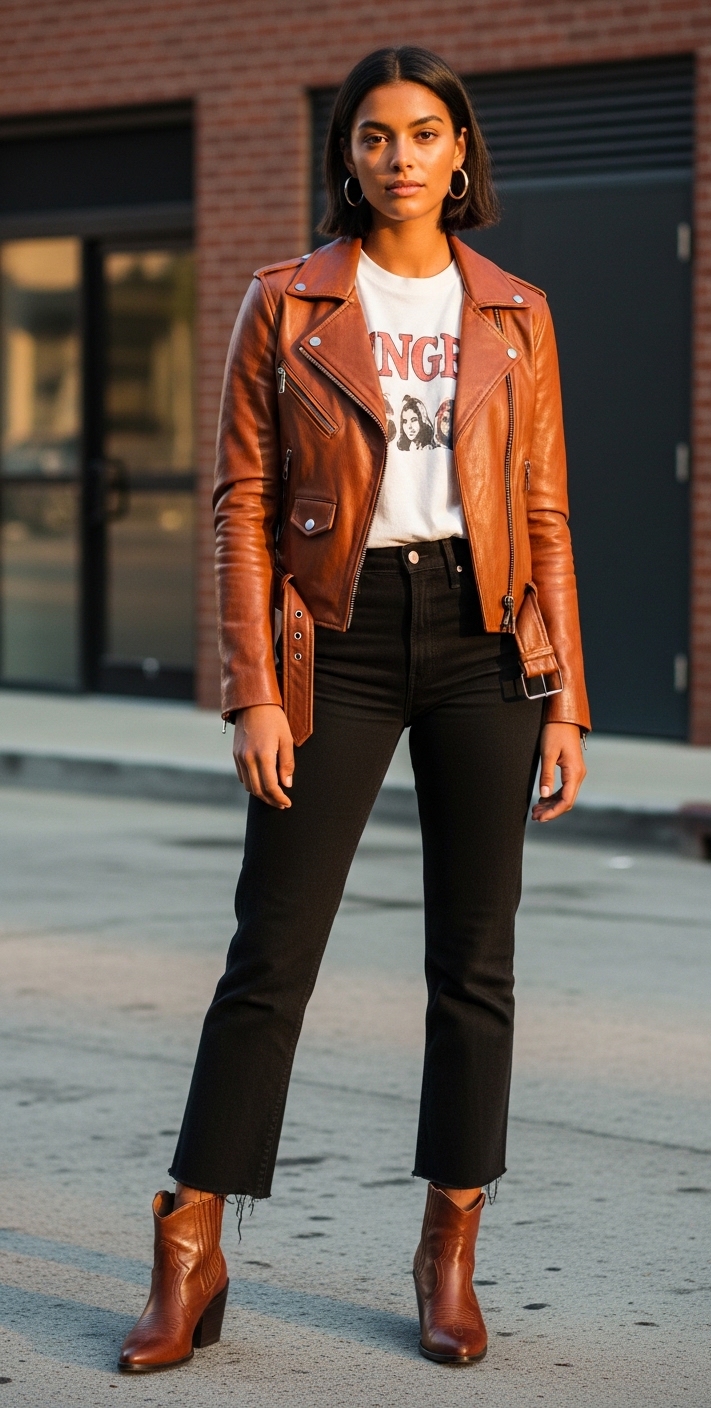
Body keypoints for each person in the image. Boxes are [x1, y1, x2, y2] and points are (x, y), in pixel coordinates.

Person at [118, 44, 590, 1375]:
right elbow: (242, 507)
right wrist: (251, 691)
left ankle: (450, 1245)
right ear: (347, 155)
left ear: (460, 151)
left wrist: (566, 699)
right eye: (375, 135)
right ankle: (191, 1241)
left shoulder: (517, 314)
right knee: (272, 950)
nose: (400, 156)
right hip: (337, 636)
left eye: (425, 132)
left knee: (474, 957)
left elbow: (548, 512)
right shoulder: (285, 305)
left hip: (492, 640)